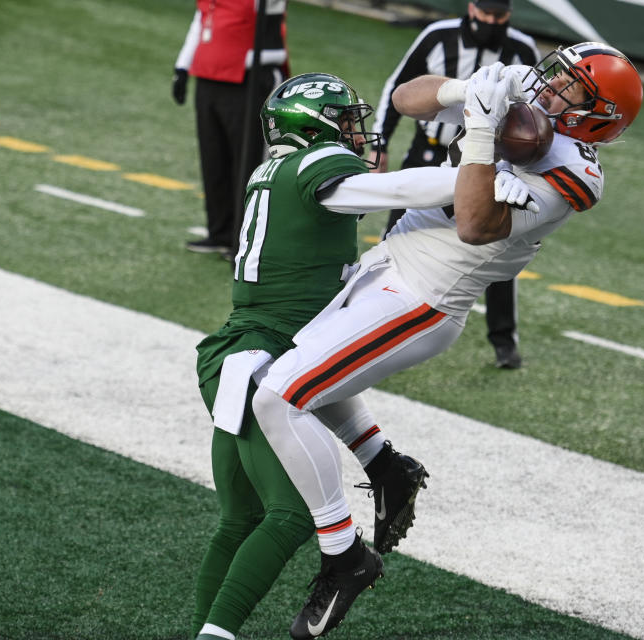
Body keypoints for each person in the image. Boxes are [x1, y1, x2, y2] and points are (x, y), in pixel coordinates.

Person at [252, 42, 644, 636]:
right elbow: (410, 99)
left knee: (276, 397)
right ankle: (388, 469)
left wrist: (483, 140)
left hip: (424, 296)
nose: (549, 84)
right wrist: (468, 92)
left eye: (570, 86)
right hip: (388, 265)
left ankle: (343, 555)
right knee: (303, 376)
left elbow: (473, 222)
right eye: (555, 73)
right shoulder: (521, 104)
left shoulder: (577, 171)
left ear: (597, 115)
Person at [188, 72, 537, 640]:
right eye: (346, 122)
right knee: (292, 516)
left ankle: (384, 467)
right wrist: (475, 178)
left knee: (238, 520)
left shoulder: (277, 170)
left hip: (248, 351)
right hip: (255, 358)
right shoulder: (311, 168)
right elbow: (394, 192)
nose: (358, 134)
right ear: (315, 130)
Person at [372, 0, 539, 369]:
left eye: (499, 16)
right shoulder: (438, 35)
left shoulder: (522, 48)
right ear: (471, 7)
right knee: (397, 236)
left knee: (495, 246)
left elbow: (533, 111)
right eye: (485, 13)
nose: (490, 22)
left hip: (487, 164)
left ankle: (503, 339)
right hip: (429, 152)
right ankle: (377, 316)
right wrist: (379, 143)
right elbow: (398, 87)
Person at [172, 0, 288, 258]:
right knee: (214, 160)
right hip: (209, 76)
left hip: (249, 78)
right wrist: (183, 65)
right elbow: (201, 19)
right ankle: (221, 233)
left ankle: (247, 241)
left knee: (249, 164)